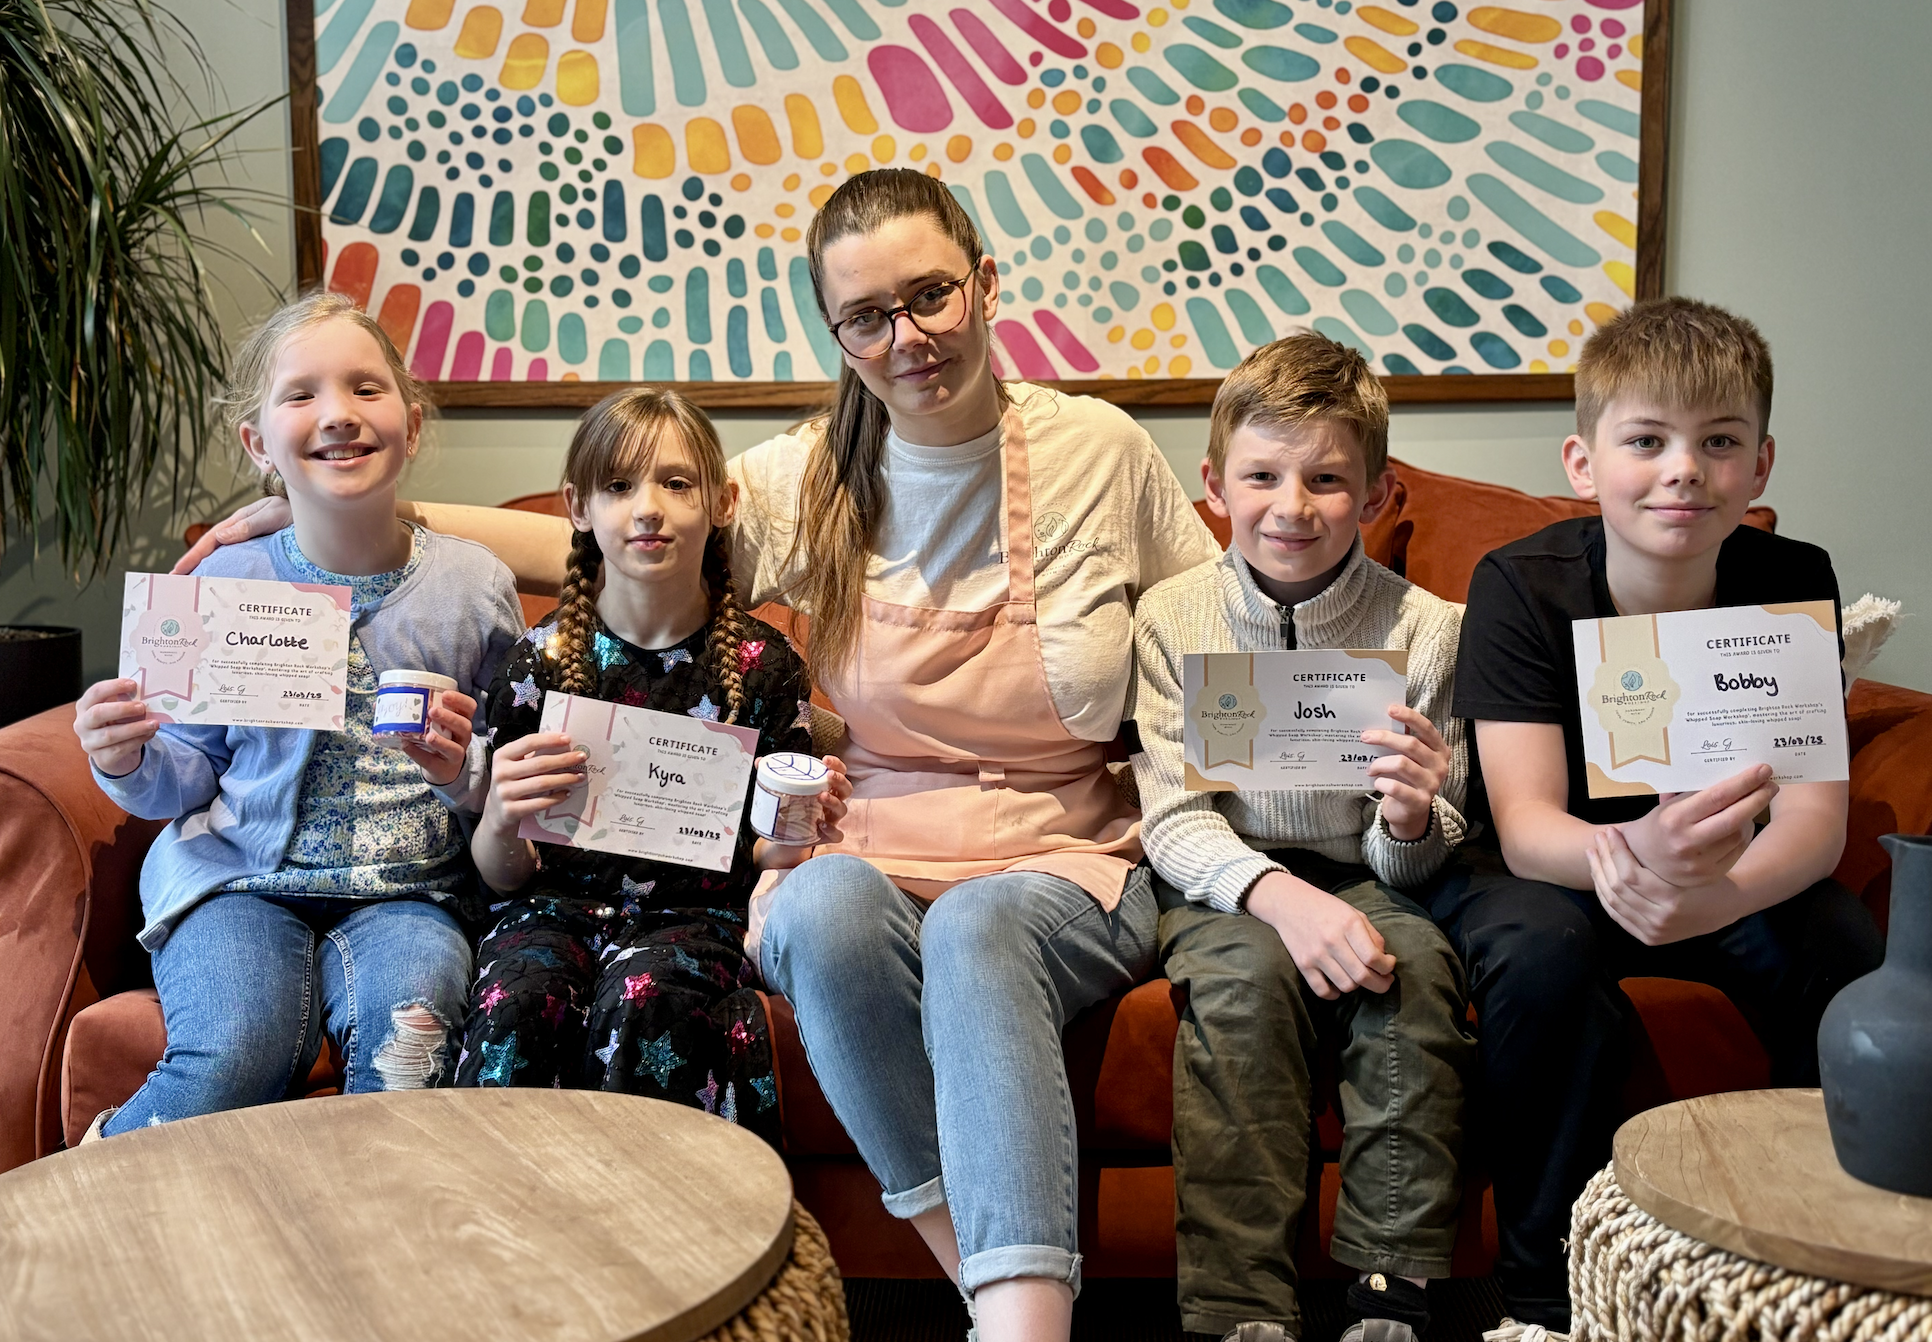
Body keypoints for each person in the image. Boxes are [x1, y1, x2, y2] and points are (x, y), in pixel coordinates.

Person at [177, 168, 1220, 1341]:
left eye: (930, 296)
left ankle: (1023, 1319)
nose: (906, 337)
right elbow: (606, 530)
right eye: (866, 317)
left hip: (1061, 849)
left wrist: (1260, 850)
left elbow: (1204, 634)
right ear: (838, 334)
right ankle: (978, 1274)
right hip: (869, 839)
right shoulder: (810, 474)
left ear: (984, 283)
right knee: (814, 911)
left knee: (979, 927)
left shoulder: (1103, 451)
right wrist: (325, 506)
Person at [1429, 297, 1885, 1332]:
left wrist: (1710, 895)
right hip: (1561, 870)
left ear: (1760, 465)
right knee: (1537, 956)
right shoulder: (1521, 585)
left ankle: (1833, 1268)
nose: (1684, 469)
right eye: (1647, 440)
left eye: (1718, 442)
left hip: (1735, 872)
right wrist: (1629, 857)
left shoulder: (1792, 579)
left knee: (1845, 951)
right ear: (1585, 462)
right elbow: (1525, 814)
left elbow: (1814, 821)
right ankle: (1544, 1297)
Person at [72, 292, 523, 1137]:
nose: (339, 415)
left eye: (365, 388)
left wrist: (466, 768)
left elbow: (507, 773)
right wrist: (125, 759)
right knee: (244, 1044)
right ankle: (92, 1190)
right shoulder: (224, 583)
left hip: (411, 892)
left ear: (412, 425)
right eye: (302, 395)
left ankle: (368, 1244)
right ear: (258, 443)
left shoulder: (476, 587)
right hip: (240, 881)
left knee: (413, 1053)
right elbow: (185, 775)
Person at [1132, 335, 1475, 1342]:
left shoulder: (1430, 629)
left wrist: (1412, 813)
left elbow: (1431, 843)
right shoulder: (1171, 616)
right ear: (1215, 484)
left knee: (1409, 968)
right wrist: (1277, 896)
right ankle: (1241, 1308)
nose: (1293, 505)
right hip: (1226, 883)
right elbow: (1172, 817)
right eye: (1263, 475)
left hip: (1369, 874)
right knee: (1241, 989)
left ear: (1373, 492)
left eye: (1328, 478)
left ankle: (1391, 1289)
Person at [453, 387, 848, 1146]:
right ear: (578, 506)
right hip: (550, 911)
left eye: (676, 483)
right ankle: (503, 1235)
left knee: (648, 1004)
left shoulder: (764, 669)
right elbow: (502, 876)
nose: (647, 509)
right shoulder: (542, 661)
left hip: (694, 919)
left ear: (723, 502)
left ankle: (663, 1239)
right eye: (618, 486)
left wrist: (801, 831)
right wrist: (500, 815)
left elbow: (769, 849)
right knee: (519, 1002)